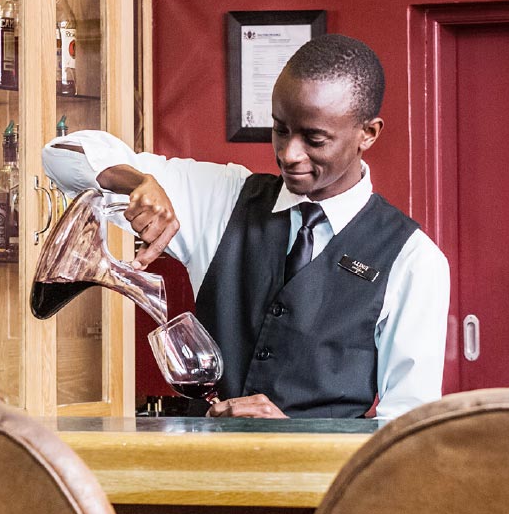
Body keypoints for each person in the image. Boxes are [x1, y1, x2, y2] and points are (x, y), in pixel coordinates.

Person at [42, 34, 450, 419]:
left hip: (321, 490)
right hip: (198, 482)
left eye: (314, 139)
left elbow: (405, 430)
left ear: (368, 134)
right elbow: (61, 156)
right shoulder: (224, 197)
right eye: (280, 129)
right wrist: (135, 181)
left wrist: (297, 436)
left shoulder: (413, 259)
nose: (289, 154)